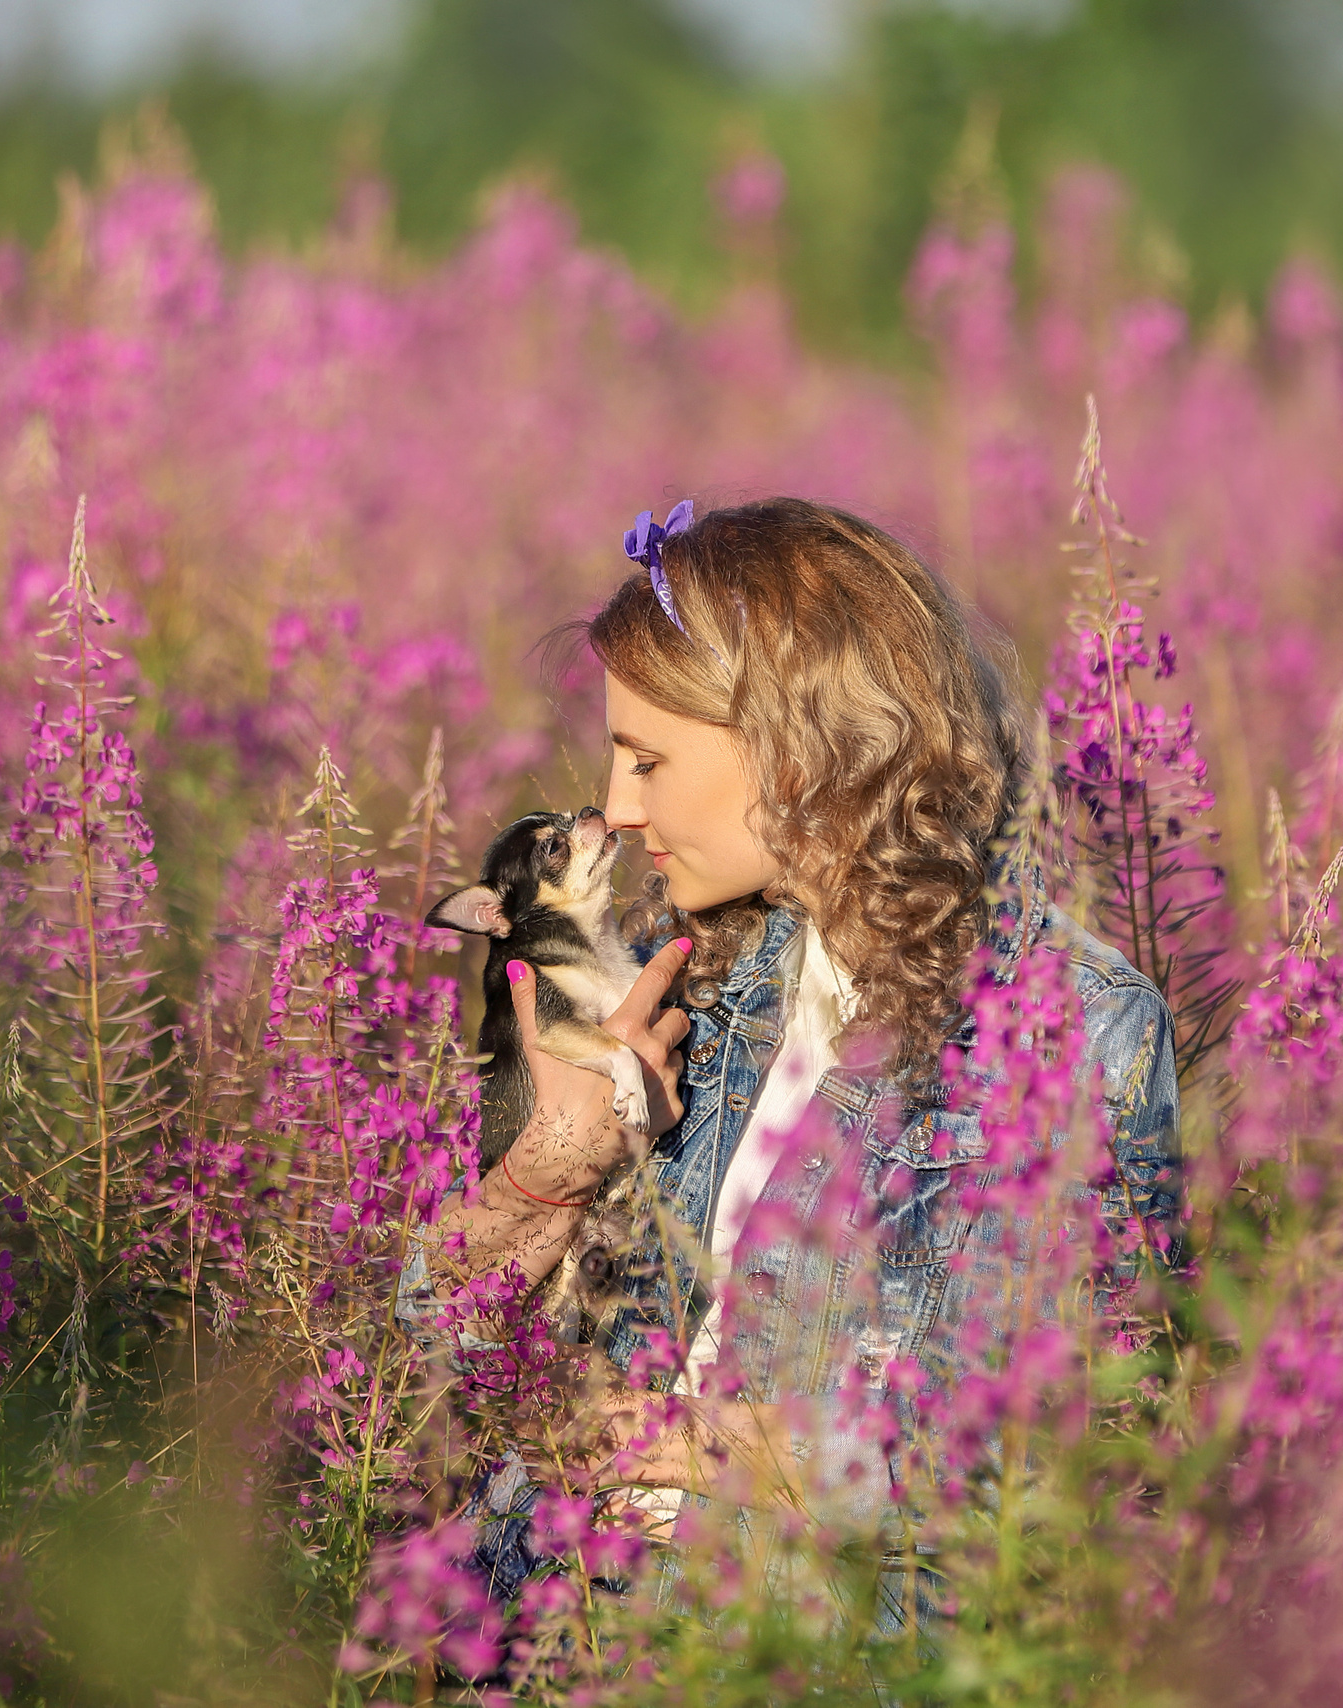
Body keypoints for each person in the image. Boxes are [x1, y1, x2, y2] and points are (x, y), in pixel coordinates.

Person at [416, 496, 1179, 1635]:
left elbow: (1051, 1463)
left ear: (796, 751)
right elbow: (428, 1342)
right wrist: (554, 1166)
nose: (618, 810)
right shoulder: (700, 981)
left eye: (648, 759)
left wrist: (645, 1434)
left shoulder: (1072, 1028)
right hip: (551, 1624)